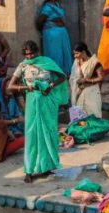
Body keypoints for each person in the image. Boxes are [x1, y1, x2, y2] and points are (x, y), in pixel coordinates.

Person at [7, 40, 68, 183]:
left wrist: (51, 85)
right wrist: (26, 88)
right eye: (27, 54)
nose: (30, 57)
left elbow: (62, 76)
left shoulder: (46, 62)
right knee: (32, 134)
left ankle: (46, 167)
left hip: (47, 102)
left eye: (32, 53)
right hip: (32, 102)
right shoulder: (22, 66)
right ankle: (29, 170)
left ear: (37, 52)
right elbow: (10, 86)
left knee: (48, 132)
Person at [37, 0, 72, 76]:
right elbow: (40, 21)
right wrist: (45, 30)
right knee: (56, 54)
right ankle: (56, 74)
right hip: (52, 35)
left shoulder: (56, 5)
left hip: (61, 34)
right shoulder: (47, 8)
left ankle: (64, 73)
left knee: (64, 53)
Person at [69, 42, 104, 118]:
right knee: (79, 117)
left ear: (83, 52)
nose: (75, 56)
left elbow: (101, 78)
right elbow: (73, 77)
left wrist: (86, 80)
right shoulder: (77, 61)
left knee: (92, 114)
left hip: (91, 92)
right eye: (74, 54)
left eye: (77, 53)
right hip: (79, 92)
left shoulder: (94, 62)